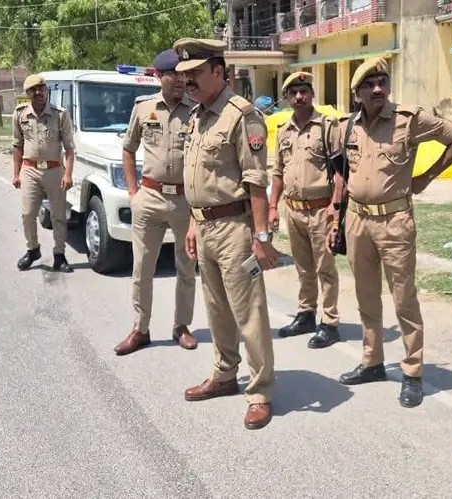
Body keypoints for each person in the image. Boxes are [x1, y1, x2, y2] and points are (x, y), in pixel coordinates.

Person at [329, 55, 452, 408]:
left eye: (383, 82)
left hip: (394, 221)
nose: (378, 89)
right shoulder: (348, 126)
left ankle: (412, 370)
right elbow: (342, 170)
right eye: (369, 85)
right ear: (357, 93)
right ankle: (372, 361)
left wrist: (427, 176)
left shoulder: (409, 119)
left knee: (404, 297)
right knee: (365, 295)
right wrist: (336, 211)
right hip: (357, 219)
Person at [174, 37, 280, 430]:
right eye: (184, 74)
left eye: (196, 73)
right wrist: (192, 223)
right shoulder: (198, 115)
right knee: (216, 308)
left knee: (249, 313)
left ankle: (261, 392)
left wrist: (262, 237)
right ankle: (224, 374)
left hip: (235, 229)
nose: (188, 81)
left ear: (219, 72)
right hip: (204, 227)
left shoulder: (241, 116)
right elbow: (198, 179)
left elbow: (256, 182)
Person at [113, 49, 200, 355]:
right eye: (172, 74)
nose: (179, 80)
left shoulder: (196, 110)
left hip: (185, 200)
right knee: (142, 268)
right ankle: (140, 329)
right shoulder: (143, 107)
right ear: (159, 76)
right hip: (149, 197)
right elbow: (128, 149)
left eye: (182, 74)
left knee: (186, 267)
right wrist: (133, 192)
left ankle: (182, 326)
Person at [269, 71, 342, 349]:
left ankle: (330, 323)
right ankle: (306, 314)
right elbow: (278, 172)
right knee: (303, 267)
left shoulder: (327, 126)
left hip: (321, 210)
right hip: (293, 210)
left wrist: (336, 206)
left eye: (304, 91)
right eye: (293, 93)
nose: (299, 97)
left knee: (325, 268)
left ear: (312, 94)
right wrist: (273, 206)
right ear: (287, 98)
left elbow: (340, 171)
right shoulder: (283, 130)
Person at [11, 73, 76, 273]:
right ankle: (33, 250)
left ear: (47, 90)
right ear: (28, 94)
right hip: (29, 170)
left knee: (58, 216)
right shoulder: (20, 114)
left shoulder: (60, 115)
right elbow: (17, 145)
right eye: (33, 90)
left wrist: (68, 174)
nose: (38, 93)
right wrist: (16, 174)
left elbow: (69, 148)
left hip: (54, 170)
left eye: (41, 88)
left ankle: (59, 255)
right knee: (28, 214)